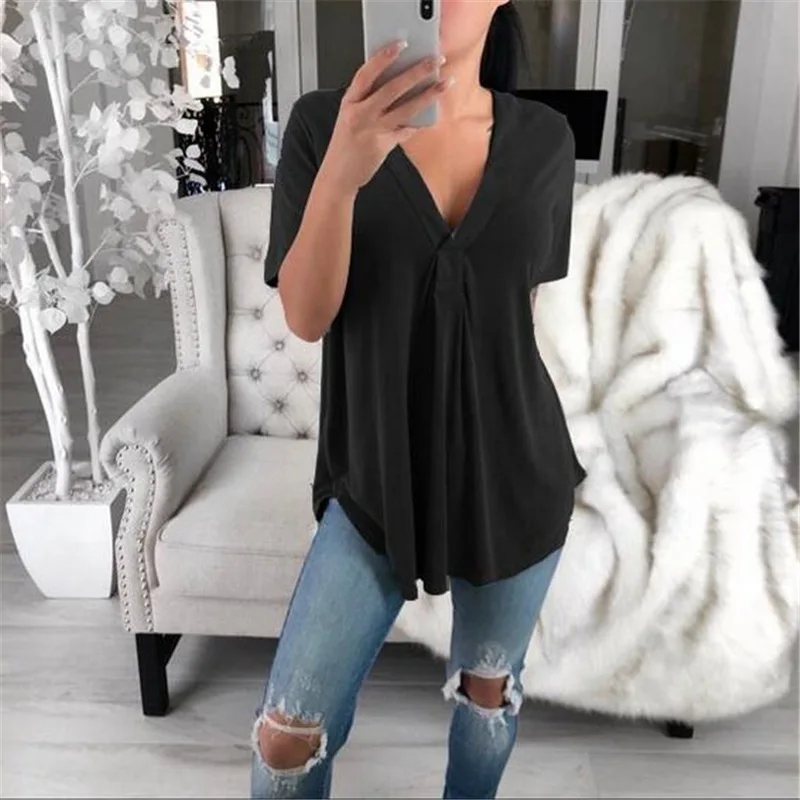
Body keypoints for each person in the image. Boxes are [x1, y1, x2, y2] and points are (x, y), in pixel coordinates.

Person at [251, 1, 586, 797]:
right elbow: (306, 317)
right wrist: (344, 169)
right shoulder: (320, 125)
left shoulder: (545, 139)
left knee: (486, 698)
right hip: (374, 475)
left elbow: (513, 309)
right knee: (286, 738)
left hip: (516, 474)